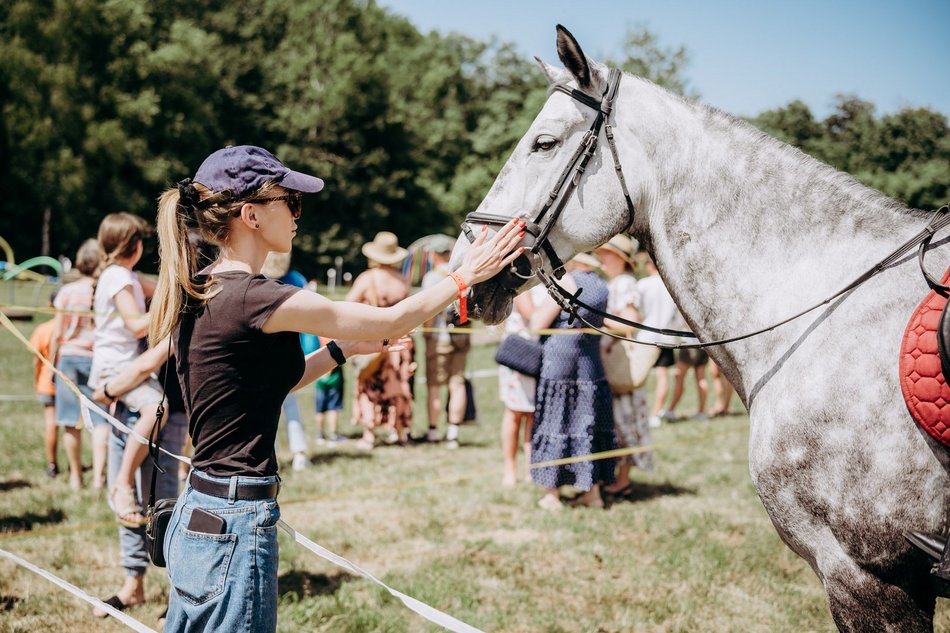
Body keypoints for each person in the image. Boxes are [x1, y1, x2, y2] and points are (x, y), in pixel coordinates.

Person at [147, 145, 523, 631]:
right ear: (251, 215)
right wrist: (467, 274)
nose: (299, 215)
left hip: (202, 512)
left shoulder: (207, 288)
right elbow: (393, 317)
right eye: (291, 202)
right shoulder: (254, 298)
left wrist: (342, 351)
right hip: (234, 522)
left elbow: (264, 388)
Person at [91, 342, 187, 622]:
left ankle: (180, 594)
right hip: (127, 403)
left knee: (165, 508)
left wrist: (109, 389)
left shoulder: (181, 301)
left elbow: (154, 358)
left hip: (169, 409)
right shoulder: (132, 302)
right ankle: (133, 586)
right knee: (128, 503)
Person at [89, 212, 167, 528]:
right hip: (115, 368)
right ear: (132, 245)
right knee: (155, 409)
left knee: (151, 411)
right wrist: (174, 312)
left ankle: (124, 480)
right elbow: (136, 325)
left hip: (124, 365)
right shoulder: (118, 277)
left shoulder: (127, 276)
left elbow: (161, 288)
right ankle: (121, 484)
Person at [529, 254, 616, 510]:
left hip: (560, 363)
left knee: (555, 422)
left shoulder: (567, 281)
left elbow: (537, 324)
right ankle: (592, 493)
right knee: (589, 424)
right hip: (591, 363)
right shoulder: (601, 284)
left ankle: (551, 494)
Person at [595, 236, 654, 497]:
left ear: (621, 258)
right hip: (614, 358)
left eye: (606, 254)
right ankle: (619, 476)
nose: (601, 259)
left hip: (622, 361)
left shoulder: (625, 284)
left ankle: (623, 479)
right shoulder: (616, 282)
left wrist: (599, 321)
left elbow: (630, 322)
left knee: (625, 419)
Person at [346, 231, 415, 449]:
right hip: (401, 342)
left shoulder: (368, 279)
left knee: (370, 384)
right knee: (399, 386)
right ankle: (400, 432)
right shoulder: (402, 281)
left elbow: (349, 304)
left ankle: (369, 434)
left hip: (374, 340)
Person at [50, 239, 109, 490]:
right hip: (97, 359)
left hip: (69, 359)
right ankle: (98, 478)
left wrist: (52, 365)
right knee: (102, 421)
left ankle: (76, 476)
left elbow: (56, 333)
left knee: (70, 421)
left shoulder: (67, 292)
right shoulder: (104, 289)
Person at [421, 235, 471, 448]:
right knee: (457, 383)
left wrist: (426, 332)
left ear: (434, 254)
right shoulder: (462, 273)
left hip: (439, 336)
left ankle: (433, 431)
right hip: (462, 336)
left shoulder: (433, 277)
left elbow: (427, 309)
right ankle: (453, 432)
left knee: (434, 385)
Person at [262, 251, 310, 470]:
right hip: (289, 352)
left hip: (263, 354)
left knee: (265, 411)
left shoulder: (256, 281)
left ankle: (272, 456)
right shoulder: (296, 280)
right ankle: (298, 452)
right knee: (291, 407)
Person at [498, 284, 546, 486]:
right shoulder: (523, 282)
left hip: (539, 351)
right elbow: (531, 315)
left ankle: (530, 467)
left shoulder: (551, 279)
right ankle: (510, 468)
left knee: (533, 414)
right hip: (519, 353)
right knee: (515, 412)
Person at [636, 253, 681, 428]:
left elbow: (637, 311)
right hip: (667, 336)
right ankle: (656, 413)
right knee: (663, 376)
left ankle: (641, 411)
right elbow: (678, 316)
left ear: (648, 266)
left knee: (641, 376)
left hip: (646, 335)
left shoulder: (643, 285)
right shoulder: (670, 285)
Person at [29, 302, 58, 479]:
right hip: (67, 382)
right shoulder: (71, 328)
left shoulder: (43, 329)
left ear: (49, 305)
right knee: (73, 427)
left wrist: (36, 380)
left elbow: (36, 361)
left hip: (47, 382)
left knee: (51, 423)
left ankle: (52, 464)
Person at [666, 346, 710, 421]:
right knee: (701, 379)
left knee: (679, 379)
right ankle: (701, 412)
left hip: (688, 345)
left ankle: (670, 411)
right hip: (702, 345)